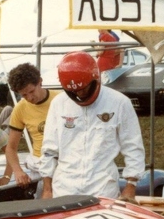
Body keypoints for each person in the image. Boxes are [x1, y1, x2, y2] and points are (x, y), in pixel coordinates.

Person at [40, 51, 145, 202]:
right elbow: (49, 150)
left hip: (102, 188)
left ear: (95, 78)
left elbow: (133, 146)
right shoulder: (58, 104)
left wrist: (131, 185)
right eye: (74, 91)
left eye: (83, 88)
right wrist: (47, 190)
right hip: (64, 189)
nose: (80, 94)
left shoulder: (120, 102)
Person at [0, 63, 59, 193]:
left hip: (64, 159)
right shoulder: (20, 108)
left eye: (32, 91)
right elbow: (11, 148)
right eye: (24, 95)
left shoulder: (60, 99)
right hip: (40, 161)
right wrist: (18, 171)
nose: (30, 98)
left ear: (40, 82)